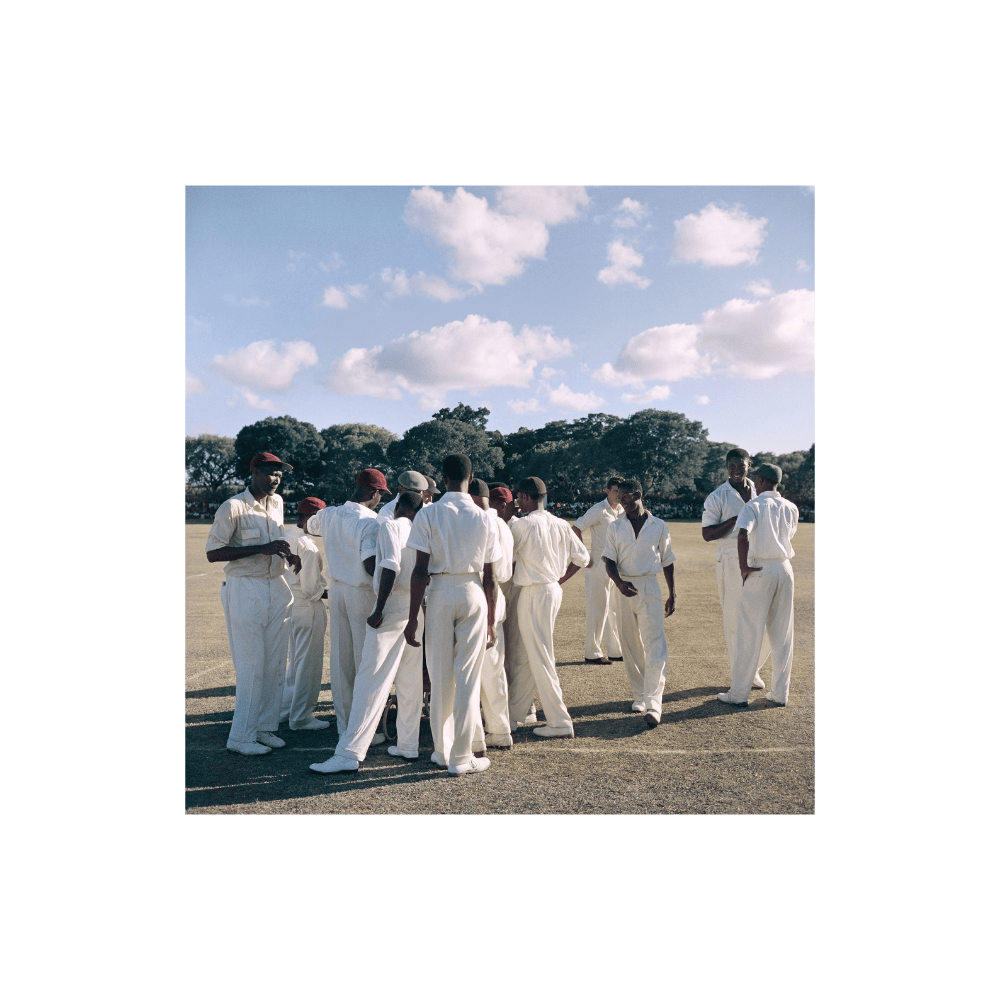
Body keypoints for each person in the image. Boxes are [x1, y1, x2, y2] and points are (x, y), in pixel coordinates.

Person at [309, 490, 426, 773]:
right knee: (410, 681)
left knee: (369, 680)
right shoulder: (424, 529)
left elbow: (388, 568)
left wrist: (379, 607)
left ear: (397, 506)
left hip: (391, 605)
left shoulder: (390, 526)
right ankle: (408, 744)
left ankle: (349, 753)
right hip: (414, 607)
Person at [403, 454, 500, 776]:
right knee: (467, 678)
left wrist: (413, 617)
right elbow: (491, 577)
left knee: (441, 676)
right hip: (472, 593)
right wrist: (489, 621)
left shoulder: (428, 513)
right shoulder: (485, 517)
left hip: (440, 593)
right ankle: (460, 756)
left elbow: (419, 571)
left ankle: (443, 751)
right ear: (470, 479)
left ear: (442, 478)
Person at [205, 452, 302, 755]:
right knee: (251, 665)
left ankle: (263, 728)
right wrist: (262, 548)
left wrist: (288, 554)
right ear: (254, 472)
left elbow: (275, 542)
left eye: (280, 474)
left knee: (274, 665)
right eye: (270, 473)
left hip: (277, 586)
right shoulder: (233, 507)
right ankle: (241, 736)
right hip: (246, 588)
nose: (276, 479)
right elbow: (213, 553)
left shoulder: (277, 503)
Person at [507, 477, 590, 739]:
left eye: (519, 497)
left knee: (540, 655)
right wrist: (558, 579)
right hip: (551, 590)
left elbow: (504, 560)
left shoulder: (523, 525)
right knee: (531, 653)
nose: (517, 502)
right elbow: (583, 558)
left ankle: (560, 721)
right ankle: (513, 715)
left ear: (528, 497)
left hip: (535, 592)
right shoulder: (560, 524)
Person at [307, 469, 388, 735]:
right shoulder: (371, 521)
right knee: (365, 662)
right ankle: (364, 730)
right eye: (380, 495)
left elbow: (309, 525)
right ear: (374, 493)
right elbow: (369, 565)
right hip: (361, 591)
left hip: (338, 591)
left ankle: (345, 727)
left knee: (341, 663)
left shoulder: (329, 514)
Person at [718, 463, 799, 707]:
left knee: (748, 632)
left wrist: (743, 567)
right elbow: (789, 535)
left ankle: (739, 693)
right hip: (784, 569)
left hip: (759, 569)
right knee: (783, 635)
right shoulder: (791, 507)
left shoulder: (752, 506)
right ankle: (780, 693)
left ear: (762, 481)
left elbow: (742, 534)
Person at [602, 479, 676, 728]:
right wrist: (619, 582)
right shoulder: (615, 526)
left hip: (649, 586)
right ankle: (640, 696)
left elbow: (667, 561)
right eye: (619, 497)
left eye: (625, 497)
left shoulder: (659, 525)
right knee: (630, 644)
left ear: (638, 495)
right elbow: (609, 560)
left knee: (655, 645)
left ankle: (655, 704)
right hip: (623, 588)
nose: (621, 501)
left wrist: (672, 593)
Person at [702, 448, 768, 692]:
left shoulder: (762, 490)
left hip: (761, 559)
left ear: (749, 465)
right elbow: (707, 534)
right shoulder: (718, 496)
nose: (736, 469)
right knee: (734, 621)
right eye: (731, 466)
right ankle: (741, 674)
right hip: (730, 562)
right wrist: (740, 518)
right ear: (726, 467)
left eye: (741, 465)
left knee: (762, 617)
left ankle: (753, 669)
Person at [468, 479, 514, 752]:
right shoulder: (503, 526)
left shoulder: (478, 522)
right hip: (496, 598)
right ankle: (499, 730)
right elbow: (504, 573)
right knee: (493, 671)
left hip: (480, 594)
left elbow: (491, 574)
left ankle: (475, 737)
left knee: (469, 672)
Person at [279, 497, 331, 731]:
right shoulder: (308, 546)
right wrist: (335, 591)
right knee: (308, 665)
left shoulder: (286, 536)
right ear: (311, 519)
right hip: (307, 607)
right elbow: (312, 589)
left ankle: (286, 710)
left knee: (296, 664)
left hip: (290, 605)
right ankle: (301, 716)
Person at [572, 477, 625, 664]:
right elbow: (576, 528)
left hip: (616, 563)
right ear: (607, 491)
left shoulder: (621, 510)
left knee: (614, 609)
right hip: (599, 561)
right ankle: (592, 652)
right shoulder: (598, 510)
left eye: (621, 490)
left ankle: (616, 650)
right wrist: (583, 555)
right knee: (598, 609)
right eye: (615, 490)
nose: (619, 494)